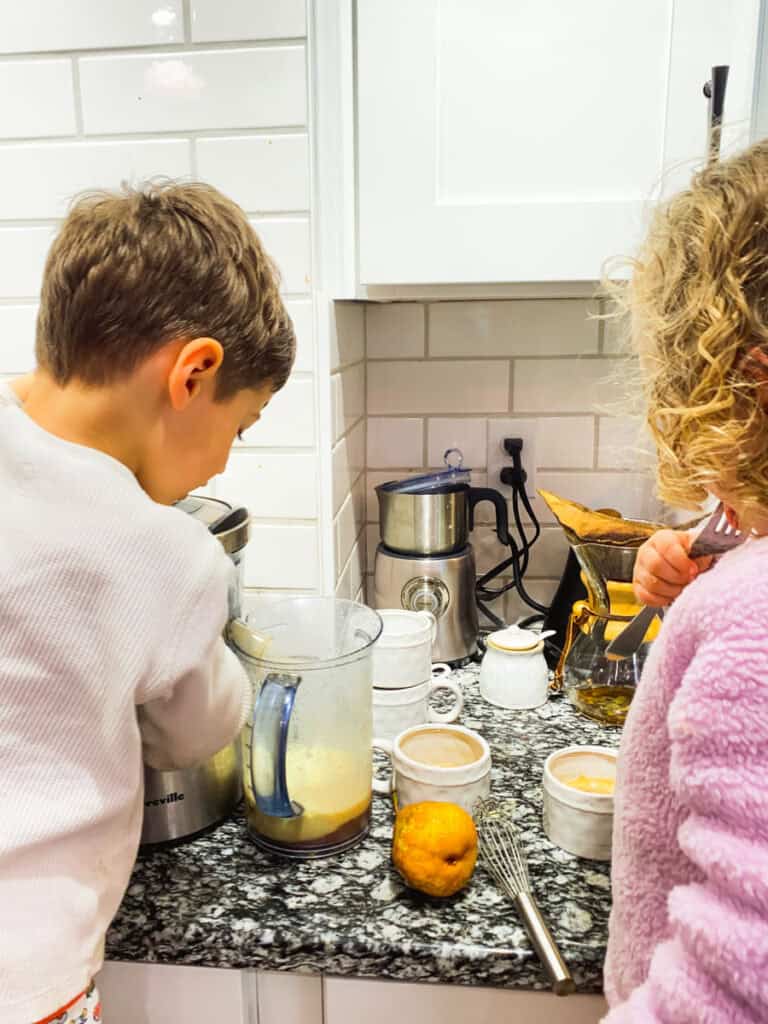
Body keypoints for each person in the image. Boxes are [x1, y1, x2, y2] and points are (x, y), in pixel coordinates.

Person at [0, 181, 296, 1024]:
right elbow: (193, 731)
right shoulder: (166, 554)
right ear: (193, 372)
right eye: (241, 426)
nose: (225, 466)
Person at [602, 141, 768, 1021]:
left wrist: (723, 595)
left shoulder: (753, 616)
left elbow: (737, 980)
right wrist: (702, 552)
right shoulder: (743, 569)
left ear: (745, 384)